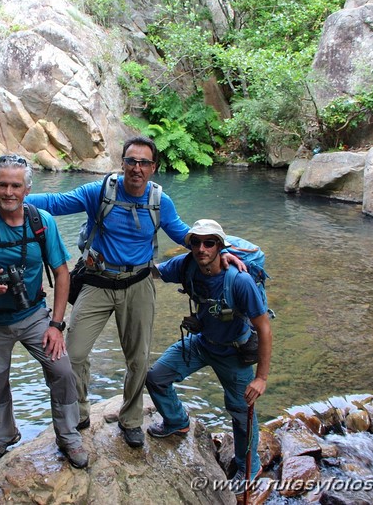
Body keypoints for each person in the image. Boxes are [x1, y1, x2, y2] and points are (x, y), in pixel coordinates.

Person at [20, 136, 246, 448]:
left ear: (153, 167)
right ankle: (80, 411)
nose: (136, 168)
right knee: (75, 353)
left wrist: (225, 250)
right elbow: (57, 203)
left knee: (138, 360)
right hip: (98, 281)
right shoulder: (99, 192)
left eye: (143, 162)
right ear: (122, 162)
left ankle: (130, 419)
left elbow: (185, 235)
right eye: (131, 161)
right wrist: (15, 198)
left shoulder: (159, 202)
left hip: (138, 283)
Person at [0, 154, 88, 469]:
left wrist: (56, 325)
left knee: (62, 371)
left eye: (16, 185)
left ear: (27, 189)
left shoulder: (41, 222)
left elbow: (63, 273)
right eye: (3, 185)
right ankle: (3, 436)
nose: (9, 192)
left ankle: (68, 436)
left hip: (34, 315)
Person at [145, 219, 272, 490]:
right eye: (195, 242)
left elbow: (264, 328)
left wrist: (261, 378)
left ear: (220, 246)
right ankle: (177, 421)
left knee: (241, 412)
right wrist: (117, 261)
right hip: (201, 343)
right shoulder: (187, 265)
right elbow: (153, 271)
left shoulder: (240, 281)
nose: (201, 248)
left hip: (234, 352)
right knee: (156, 377)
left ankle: (250, 467)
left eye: (209, 243)